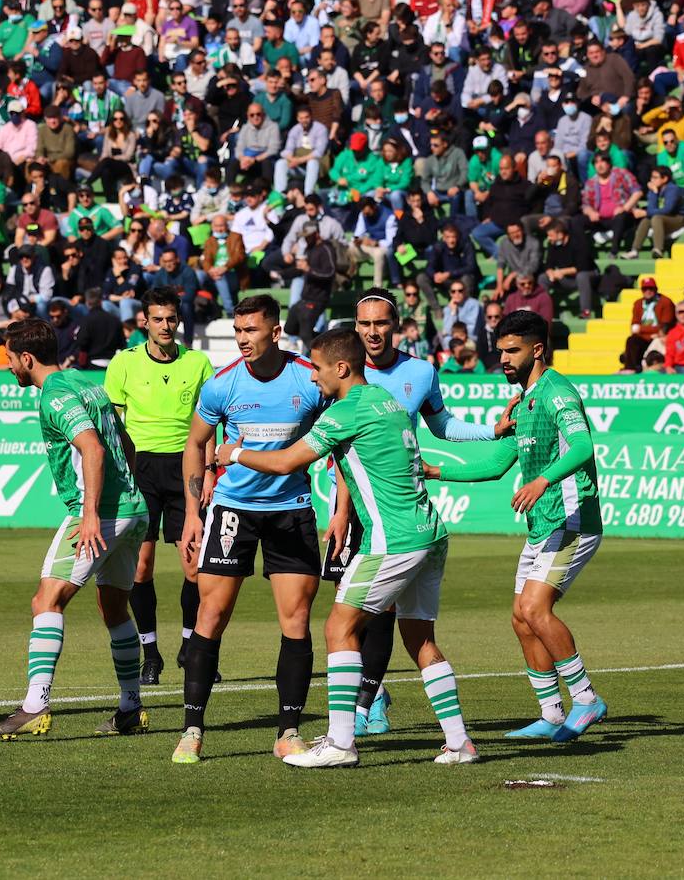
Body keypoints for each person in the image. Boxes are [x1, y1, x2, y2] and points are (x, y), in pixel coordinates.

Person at [216, 327, 478, 767]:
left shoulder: (345, 413)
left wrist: (234, 456)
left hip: (392, 539)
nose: (313, 377)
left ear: (340, 368)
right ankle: (459, 742)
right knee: (420, 638)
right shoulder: (388, 401)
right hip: (429, 533)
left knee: (339, 627)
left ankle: (340, 743)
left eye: (317, 368)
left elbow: (286, 462)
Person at [322, 289, 511, 736]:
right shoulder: (340, 370)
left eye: (381, 323)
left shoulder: (420, 372)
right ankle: (378, 702)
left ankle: (364, 705)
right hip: (349, 502)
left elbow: (442, 426)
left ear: (397, 324)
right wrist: (340, 510)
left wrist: (492, 430)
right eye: (364, 323)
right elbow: (336, 448)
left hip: (395, 510)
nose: (372, 332)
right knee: (359, 613)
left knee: (371, 613)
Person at [427, 311, 607, 742]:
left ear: (537, 349)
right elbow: (494, 465)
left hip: (572, 518)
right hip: (543, 524)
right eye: (500, 350)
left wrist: (543, 479)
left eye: (513, 350)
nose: (503, 359)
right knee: (521, 619)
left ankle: (586, 699)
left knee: (534, 610)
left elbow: (583, 445)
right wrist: (432, 471)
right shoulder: (524, 401)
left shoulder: (556, 391)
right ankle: (550, 713)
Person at [0, 319, 151, 740]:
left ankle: (34, 705)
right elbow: (124, 442)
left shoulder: (55, 396)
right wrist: (123, 490)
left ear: (26, 358)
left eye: (9, 360)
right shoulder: (84, 382)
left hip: (99, 514)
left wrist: (92, 513)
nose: (8, 368)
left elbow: (92, 446)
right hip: (133, 508)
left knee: (47, 599)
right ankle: (131, 707)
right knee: (113, 608)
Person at [175, 295, 324, 764]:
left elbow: (340, 439)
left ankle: (288, 732)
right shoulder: (223, 385)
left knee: (296, 620)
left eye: (251, 331)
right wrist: (194, 514)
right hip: (232, 511)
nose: (242, 340)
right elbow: (195, 443)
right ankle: (192, 730)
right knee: (210, 616)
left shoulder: (309, 377)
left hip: (292, 509)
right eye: (238, 331)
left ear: (275, 332)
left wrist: (340, 508)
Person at [103, 288, 215, 686]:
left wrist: (210, 472)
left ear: (178, 321)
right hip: (140, 469)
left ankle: (191, 647)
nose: (165, 326)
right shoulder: (124, 364)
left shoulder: (198, 363)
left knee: (194, 565)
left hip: (187, 467)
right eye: (158, 319)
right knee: (141, 568)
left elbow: (210, 424)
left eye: (171, 318)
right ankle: (151, 655)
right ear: (144, 323)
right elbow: (113, 427)